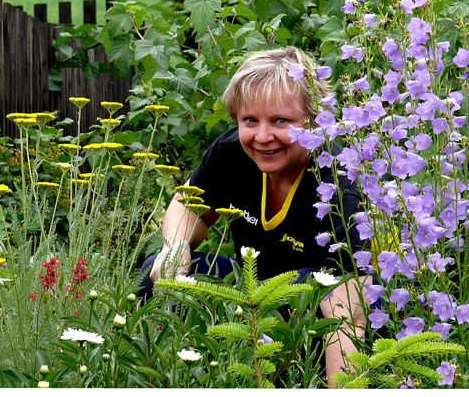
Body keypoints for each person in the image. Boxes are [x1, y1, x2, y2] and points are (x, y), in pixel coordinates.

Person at [143, 47, 371, 386]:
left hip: (314, 323)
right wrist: (177, 246)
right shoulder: (231, 151)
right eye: (250, 120)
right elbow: (187, 204)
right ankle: (166, 375)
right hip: (249, 298)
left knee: (315, 289)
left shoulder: (341, 182)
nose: (263, 137)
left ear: (315, 119)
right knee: (156, 270)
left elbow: (349, 314)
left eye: (281, 121)